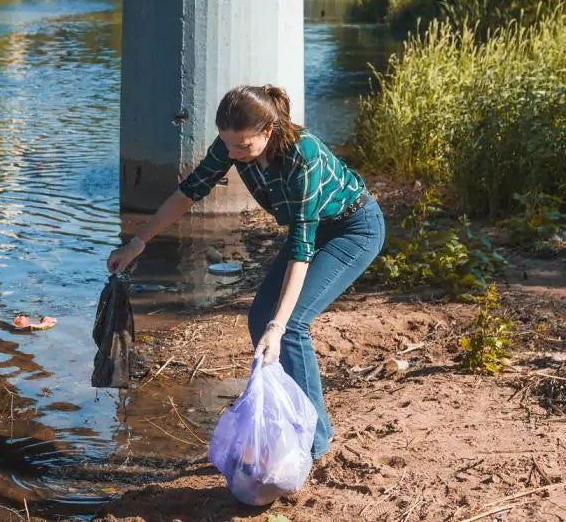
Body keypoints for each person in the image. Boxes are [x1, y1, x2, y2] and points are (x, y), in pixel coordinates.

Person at [107, 84, 385, 460]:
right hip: (316, 229)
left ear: (267, 131)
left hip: (354, 229)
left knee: (291, 326)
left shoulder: (303, 156)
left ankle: (315, 443)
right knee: (259, 319)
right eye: (229, 146)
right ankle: (288, 418)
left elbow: (301, 248)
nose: (234, 155)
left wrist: (279, 325)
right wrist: (138, 243)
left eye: (243, 147)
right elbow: (189, 192)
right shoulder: (231, 145)